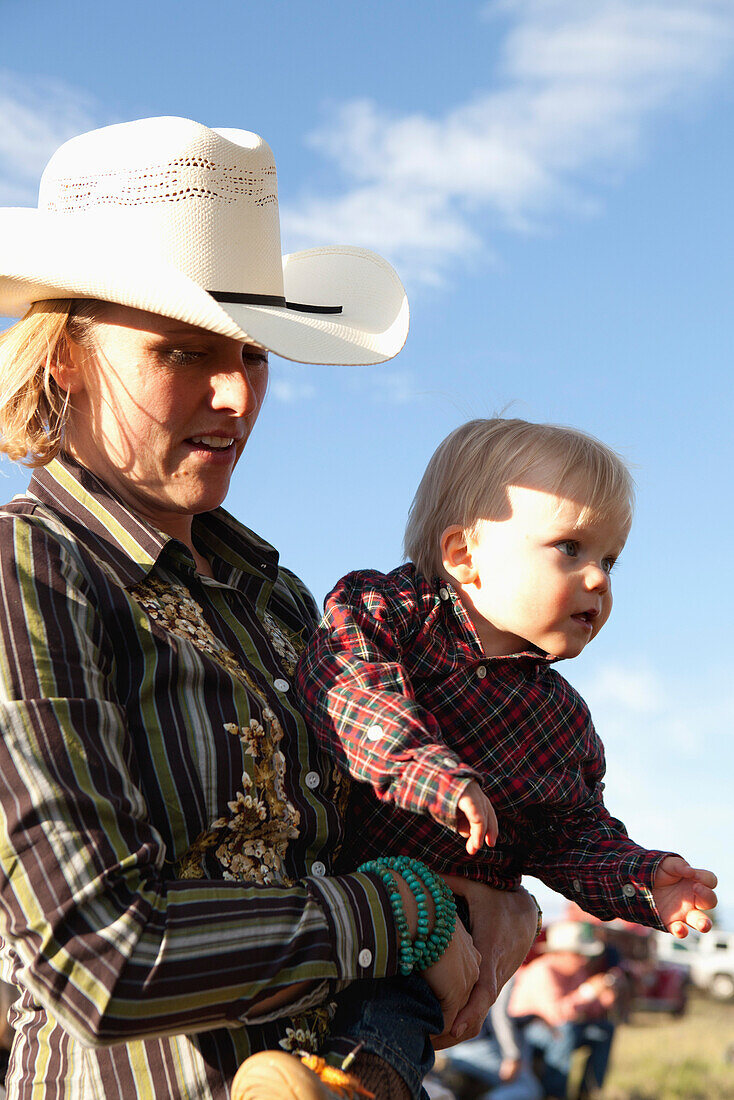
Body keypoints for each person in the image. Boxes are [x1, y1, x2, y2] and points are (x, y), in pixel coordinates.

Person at [0, 117, 539, 1100]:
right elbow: (94, 953)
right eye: (180, 350)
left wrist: (481, 884)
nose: (235, 396)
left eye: (251, 354)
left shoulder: (276, 598)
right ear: (66, 358)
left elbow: (351, 845)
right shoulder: (28, 569)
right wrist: (398, 910)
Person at [294, 417, 718, 1094]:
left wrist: (643, 880)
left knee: (399, 1010)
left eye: (610, 559)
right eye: (571, 548)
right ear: (465, 554)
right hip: (335, 886)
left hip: (440, 935)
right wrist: (432, 773)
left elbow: (571, 836)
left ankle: (357, 1088)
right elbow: (352, 691)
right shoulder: (387, 613)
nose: (600, 580)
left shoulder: (559, 717)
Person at [509, 921, 623, 1099]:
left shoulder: (575, 971)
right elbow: (558, 1016)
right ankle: (554, 1094)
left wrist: (603, 1001)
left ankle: (588, 1092)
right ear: (561, 953)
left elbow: (585, 1009)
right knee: (565, 1032)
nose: (585, 959)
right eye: (579, 954)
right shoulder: (542, 971)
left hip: (553, 1028)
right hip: (525, 1031)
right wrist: (589, 992)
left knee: (604, 1030)